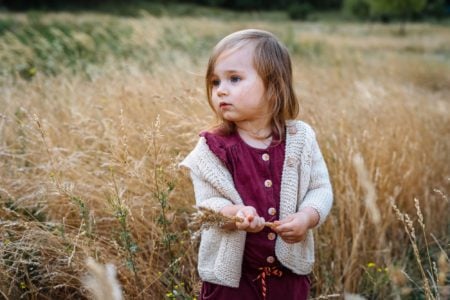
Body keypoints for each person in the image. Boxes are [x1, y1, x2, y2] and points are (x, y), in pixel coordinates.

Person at [180, 29, 333, 300]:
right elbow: (207, 203)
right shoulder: (212, 148)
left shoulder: (300, 139)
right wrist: (234, 212)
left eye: (234, 79)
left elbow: (320, 188)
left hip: (288, 278)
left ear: (274, 86)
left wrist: (306, 218)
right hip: (231, 282)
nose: (221, 90)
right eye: (215, 82)